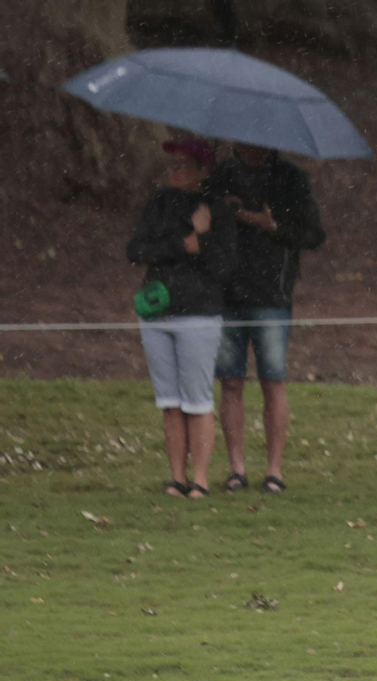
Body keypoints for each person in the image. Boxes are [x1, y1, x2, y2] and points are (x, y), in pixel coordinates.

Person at [210, 143, 326, 494]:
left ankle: (274, 471)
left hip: (271, 296)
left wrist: (270, 225)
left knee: (272, 379)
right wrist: (223, 210)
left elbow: (312, 234)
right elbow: (204, 222)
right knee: (230, 381)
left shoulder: (291, 178)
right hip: (226, 292)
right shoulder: (222, 175)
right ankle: (237, 469)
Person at [126, 138, 237, 499]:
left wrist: (203, 239)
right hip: (157, 312)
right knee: (169, 402)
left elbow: (224, 268)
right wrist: (181, 245)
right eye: (172, 165)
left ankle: (200, 479)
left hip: (199, 315)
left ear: (203, 170)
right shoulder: (158, 203)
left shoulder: (217, 210)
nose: (174, 171)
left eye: (183, 165)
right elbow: (136, 249)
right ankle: (177, 477)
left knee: (197, 400)